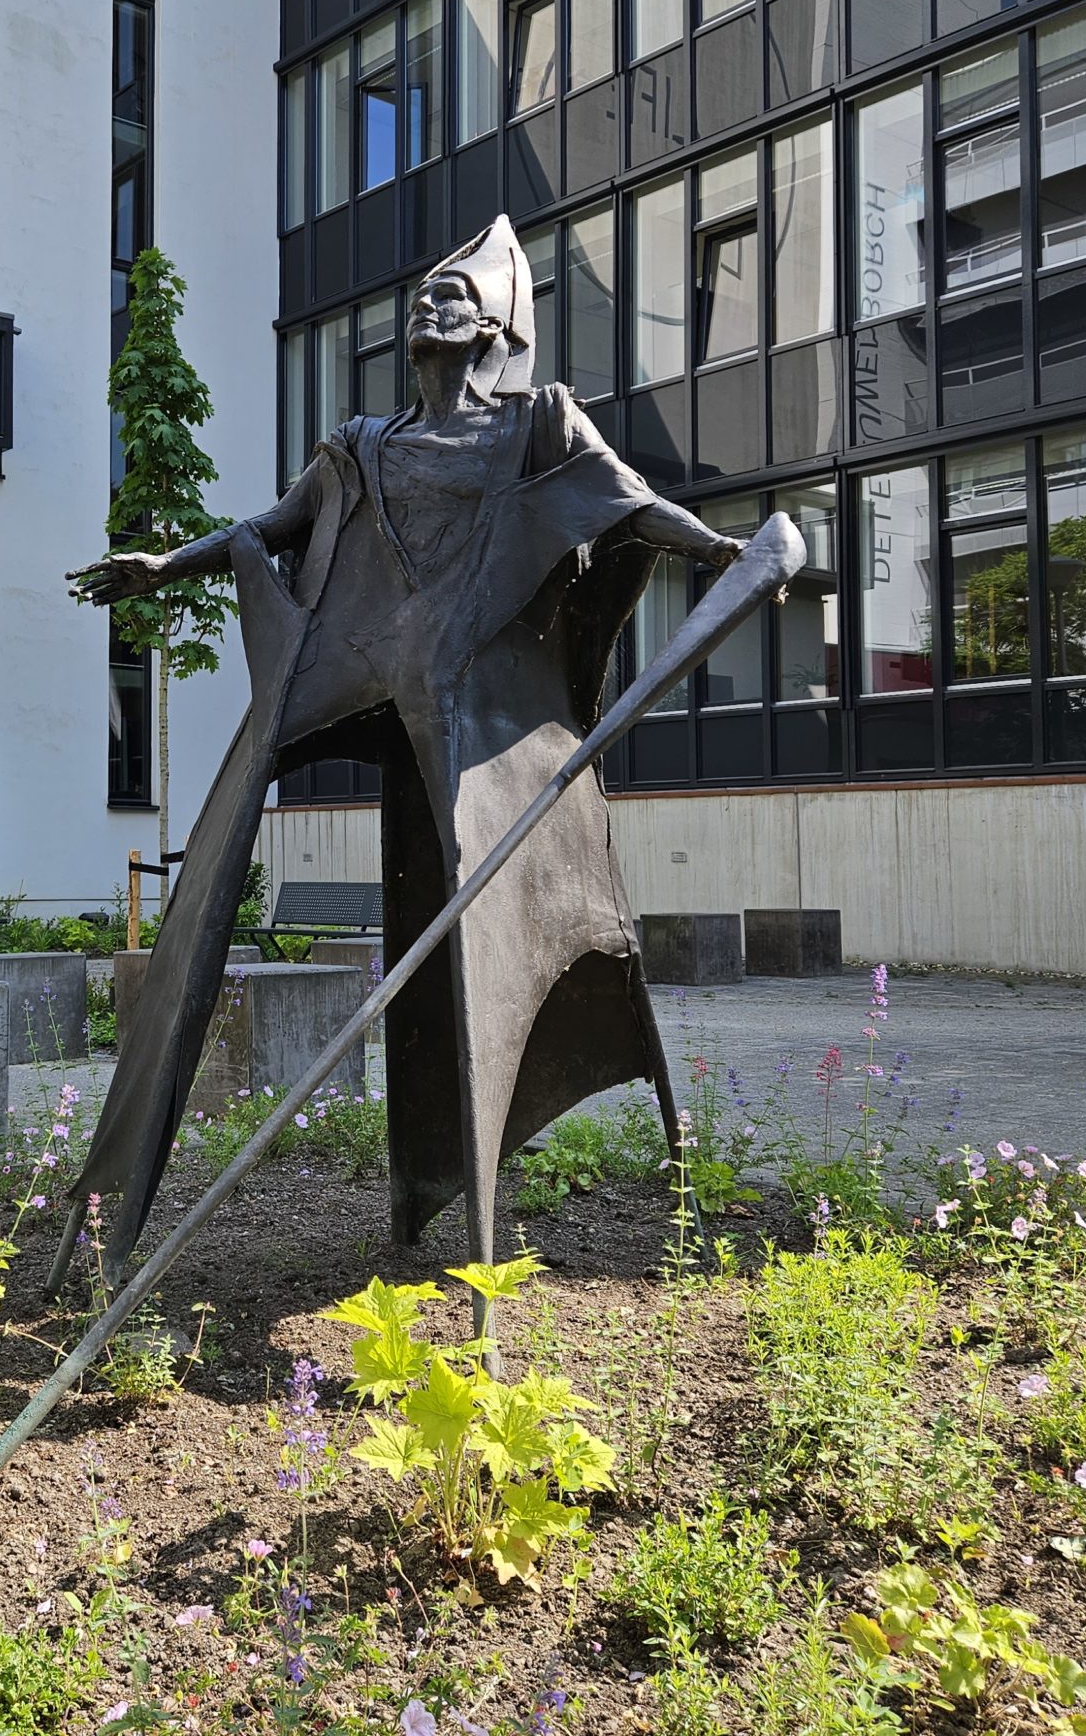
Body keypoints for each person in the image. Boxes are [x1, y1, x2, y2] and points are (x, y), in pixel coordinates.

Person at [63, 216, 747, 1305]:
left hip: (479, 696)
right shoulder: (356, 448)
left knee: (488, 919)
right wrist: (165, 566)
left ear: (493, 330)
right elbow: (273, 528)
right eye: (420, 299)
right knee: (234, 814)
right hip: (350, 658)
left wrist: (717, 547)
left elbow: (631, 505)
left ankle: (471, 1195)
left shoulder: (537, 429)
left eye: (451, 299)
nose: (428, 311)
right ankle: (112, 1205)